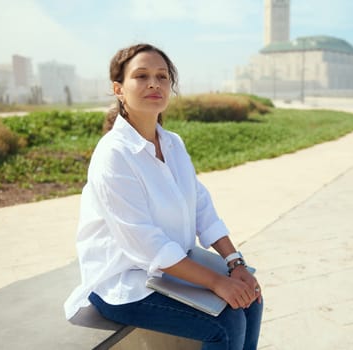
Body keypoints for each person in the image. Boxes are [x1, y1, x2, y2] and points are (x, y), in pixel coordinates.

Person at [64, 43, 263, 350]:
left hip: (171, 271)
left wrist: (234, 263)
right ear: (118, 89)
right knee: (226, 323)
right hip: (126, 283)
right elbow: (147, 245)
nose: (154, 83)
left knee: (251, 300)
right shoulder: (113, 155)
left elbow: (201, 206)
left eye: (162, 76)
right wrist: (217, 282)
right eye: (141, 76)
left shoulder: (172, 143)